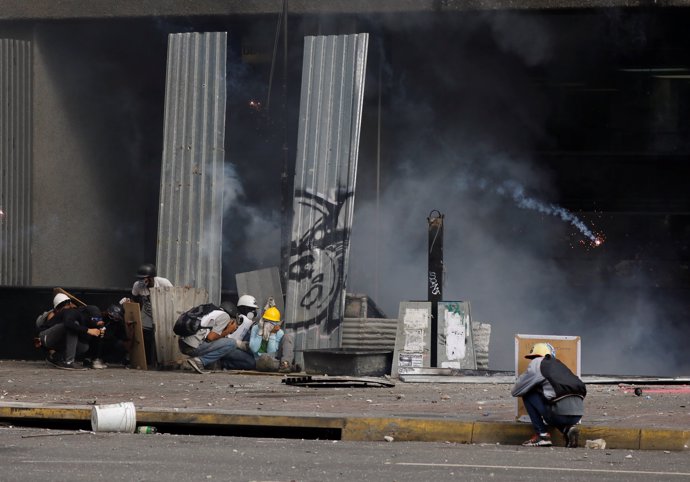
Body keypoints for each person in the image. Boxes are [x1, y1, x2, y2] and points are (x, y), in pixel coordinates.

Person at [511, 342, 586, 448]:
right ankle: (568, 429)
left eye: (534, 357)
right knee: (553, 402)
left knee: (528, 393)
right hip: (577, 414)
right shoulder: (560, 365)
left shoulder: (537, 363)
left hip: (559, 413)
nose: (533, 360)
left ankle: (542, 435)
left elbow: (516, 391)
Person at [178, 304, 254, 374]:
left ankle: (193, 361)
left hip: (183, 346)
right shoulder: (225, 316)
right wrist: (228, 330)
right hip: (192, 347)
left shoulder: (212, 312)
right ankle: (200, 361)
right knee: (231, 343)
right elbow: (211, 338)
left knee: (222, 342)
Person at [37, 294, 105, 370]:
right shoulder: (70, 311)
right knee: (72, 325)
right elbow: (68, 324)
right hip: (45, 337)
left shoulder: (78, 314)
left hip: (52, 341)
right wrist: (88, 330)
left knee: (83, 347)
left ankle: (57, 358)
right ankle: (69, 362)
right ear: (68, 304)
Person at [130, 263, 173, 367]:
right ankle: (147, 361)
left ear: (151, 277)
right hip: (148, 311)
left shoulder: (163, 282)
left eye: (143, 278)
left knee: (161, 335)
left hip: (163, 311)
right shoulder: (137, 285)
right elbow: (135, 300)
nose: (141, 281)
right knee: (145, 333)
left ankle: (162, 360)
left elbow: (173, 298)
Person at [248, 306, 296, 373]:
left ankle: (285, 364)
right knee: (264, 358)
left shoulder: (279, 333)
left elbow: (271, 352)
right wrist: (260, 332)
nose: (269, 324)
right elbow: (254, 349)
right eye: (267, 321)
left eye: (272, 322)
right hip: (260, 360)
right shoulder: (256, 328)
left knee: (288, 337)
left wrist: (272, 334)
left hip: (273, 358)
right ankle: (288, 367)